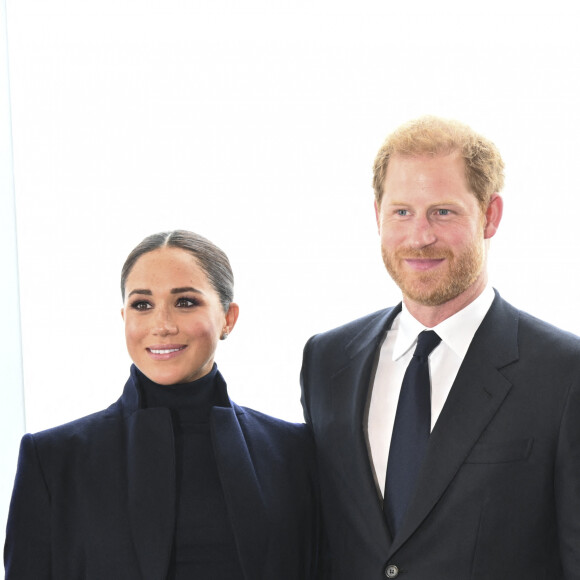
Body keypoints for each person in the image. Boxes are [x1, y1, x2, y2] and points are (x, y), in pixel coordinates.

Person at [300, 116, 580, 579]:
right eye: (402, 212)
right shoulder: (328, 360)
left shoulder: (563, 373)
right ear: (377, 215)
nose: (419, 236)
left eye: (443, 212)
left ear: (490, 215)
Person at [5, 229, 320, 579]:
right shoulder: (51, 459)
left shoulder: (294, 452)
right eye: (142, 304)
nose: (162, 325)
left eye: (185, 301)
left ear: (228, 318)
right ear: (125, 317)